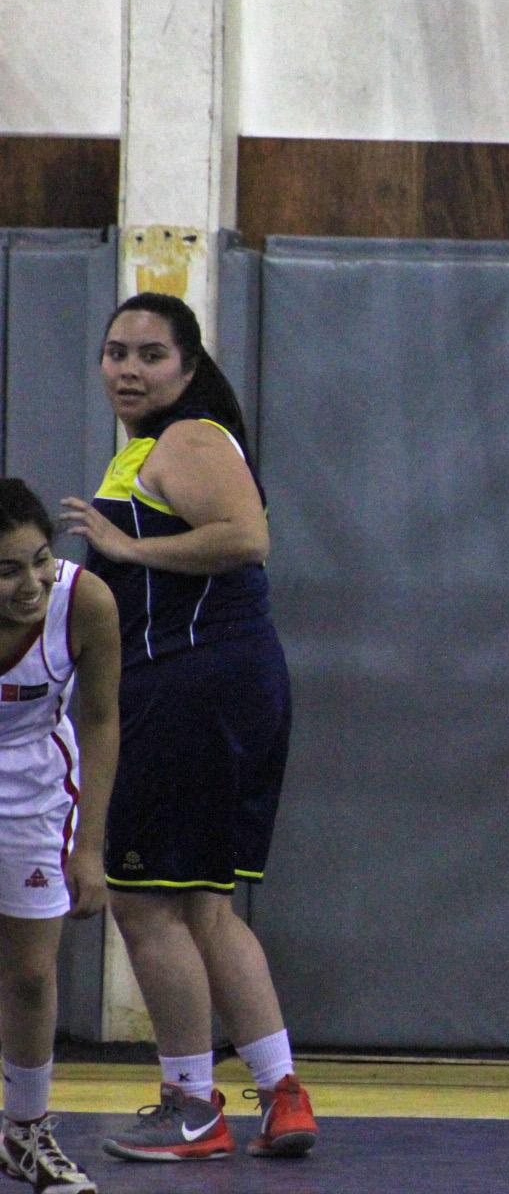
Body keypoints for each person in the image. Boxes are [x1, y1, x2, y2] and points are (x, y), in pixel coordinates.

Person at [59, 292, 316, 1162]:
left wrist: (129, 551)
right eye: (116, 352)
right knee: (203, 904)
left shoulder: (188, 439)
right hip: (220, 687)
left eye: (150, 355)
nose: (128, 369)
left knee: (142, 900)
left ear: (189, 366)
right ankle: (283, 1093)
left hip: (191, 690)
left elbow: (245, 538)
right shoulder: (154, 447)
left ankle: (192, 1106)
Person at [0, 481, 119, 1194]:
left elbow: (100, 719)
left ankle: (25, 1130)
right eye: (7, 570)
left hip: (35, 793)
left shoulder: (85, 602)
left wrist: (91, 848)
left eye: (40, 559)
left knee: (30, 974)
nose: (31, 583)